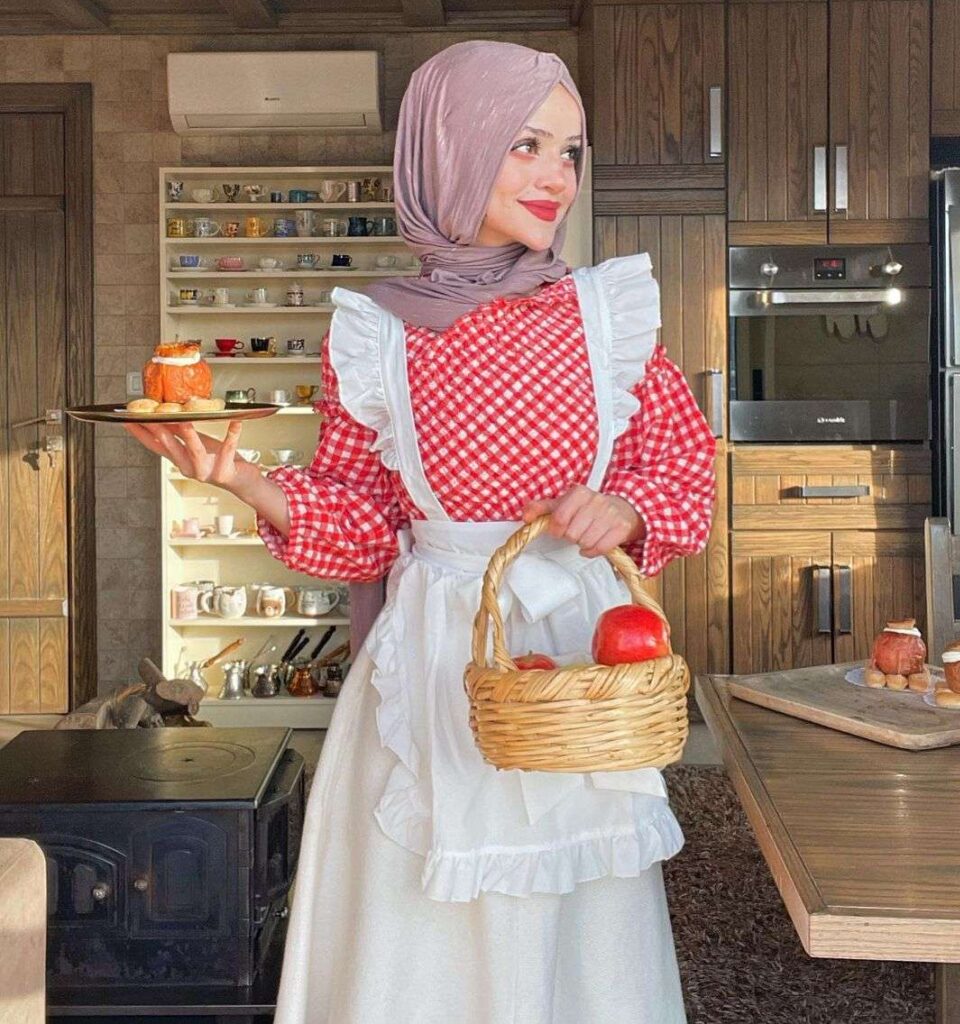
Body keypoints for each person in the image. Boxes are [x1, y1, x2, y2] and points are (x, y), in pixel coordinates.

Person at [126, 40, 715, 1024]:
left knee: (574, 913)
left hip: (576, 656)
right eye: (524, 143)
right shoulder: (377, 335)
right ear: (448, 145)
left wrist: (628, 507)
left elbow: (684, 468)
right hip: (439, 653)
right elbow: (362, 526)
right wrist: (248, 484)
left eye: (569, 151)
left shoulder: (604, 316)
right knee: (424, 918)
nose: (554, 176)